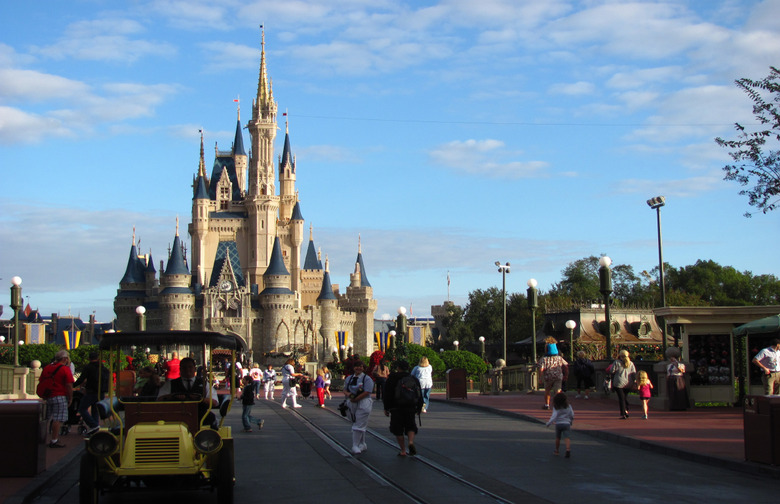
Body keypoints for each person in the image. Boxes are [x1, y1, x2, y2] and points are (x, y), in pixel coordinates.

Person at [157, 357, 219, 427]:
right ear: (180, 369)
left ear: (195, 369)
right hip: (176, 415)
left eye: (190, 367)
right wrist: (173, 396)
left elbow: (214, 402)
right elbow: (160, 399)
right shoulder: (170, 384)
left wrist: (200, 399)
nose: (187, 370)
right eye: (184, 367)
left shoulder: (204, 384)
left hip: (199, 415)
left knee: (212, 419)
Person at [383, 360, 423, 456]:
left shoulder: (392, 378)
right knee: (410, 425)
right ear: (408, 368)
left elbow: (387, 394)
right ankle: (410, 442)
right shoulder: (413, 378)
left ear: (398, 368)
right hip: (410, 406)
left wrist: (386, 408)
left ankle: (403, 450)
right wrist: (419, 407)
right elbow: (419, 394)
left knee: (398, 428)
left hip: (396, 407)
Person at [40, 350, 74, 448]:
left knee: (47, 418)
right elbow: (69, 385)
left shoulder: (47, 367)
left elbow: (41, 380)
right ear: (64, 359)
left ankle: (42, 438)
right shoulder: (65, 369)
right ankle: (54, 440)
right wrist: (70, 397)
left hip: (48, 396)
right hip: (59, 395)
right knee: (57, 419)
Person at [73, 350, 109, 436]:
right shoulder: (103, 368)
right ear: (98, 358)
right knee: (95, 410)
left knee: (82, 409)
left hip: (91, 391)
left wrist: (73, 385)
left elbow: (81, 378)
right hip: (101, 392)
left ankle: (94, 425)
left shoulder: (88, 367)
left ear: (89, 359)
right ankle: (95, 428)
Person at [343, 360, 374, 454]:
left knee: (359, 423)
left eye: (360, 366)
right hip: (352, 402)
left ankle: (355, 445)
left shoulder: (367, 379)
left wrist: (356, 398)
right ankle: (362, 443)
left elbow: (367, 391)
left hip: (363, 402)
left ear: (364, 368)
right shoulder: (349, 378)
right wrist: (350, 395)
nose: (358, 368)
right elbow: (345, 389)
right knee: (357, 422)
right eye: (356, 366)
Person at [537, 341, 568, 410]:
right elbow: (566, 365)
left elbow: (541, 369)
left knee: (547, 391)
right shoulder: (559, 358)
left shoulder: (544, 359)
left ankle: (547, 404)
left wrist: (540, 378)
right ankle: (559, 405)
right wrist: (566, 374)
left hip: (548, 377)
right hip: (558, 376)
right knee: (558, 391)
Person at [608, 349, 637, 419]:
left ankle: (623, 413)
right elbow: (634, 373)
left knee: (621, 398)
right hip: (628, 382)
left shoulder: (617, 362)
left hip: (619, 382)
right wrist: (635, 381)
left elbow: (612, 371)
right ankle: (626, 409)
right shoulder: (631, 363)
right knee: (625, 397)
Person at [545, 392, 574, 458]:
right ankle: (568, 449)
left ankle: (557, 450)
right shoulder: (568, 406)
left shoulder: (556, 407)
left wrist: (549, 423)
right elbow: (571, 414)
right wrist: (571, 420)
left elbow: (554, 416)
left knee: (558, 437)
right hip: (567, 423)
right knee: (567, 437)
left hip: (558, 424)